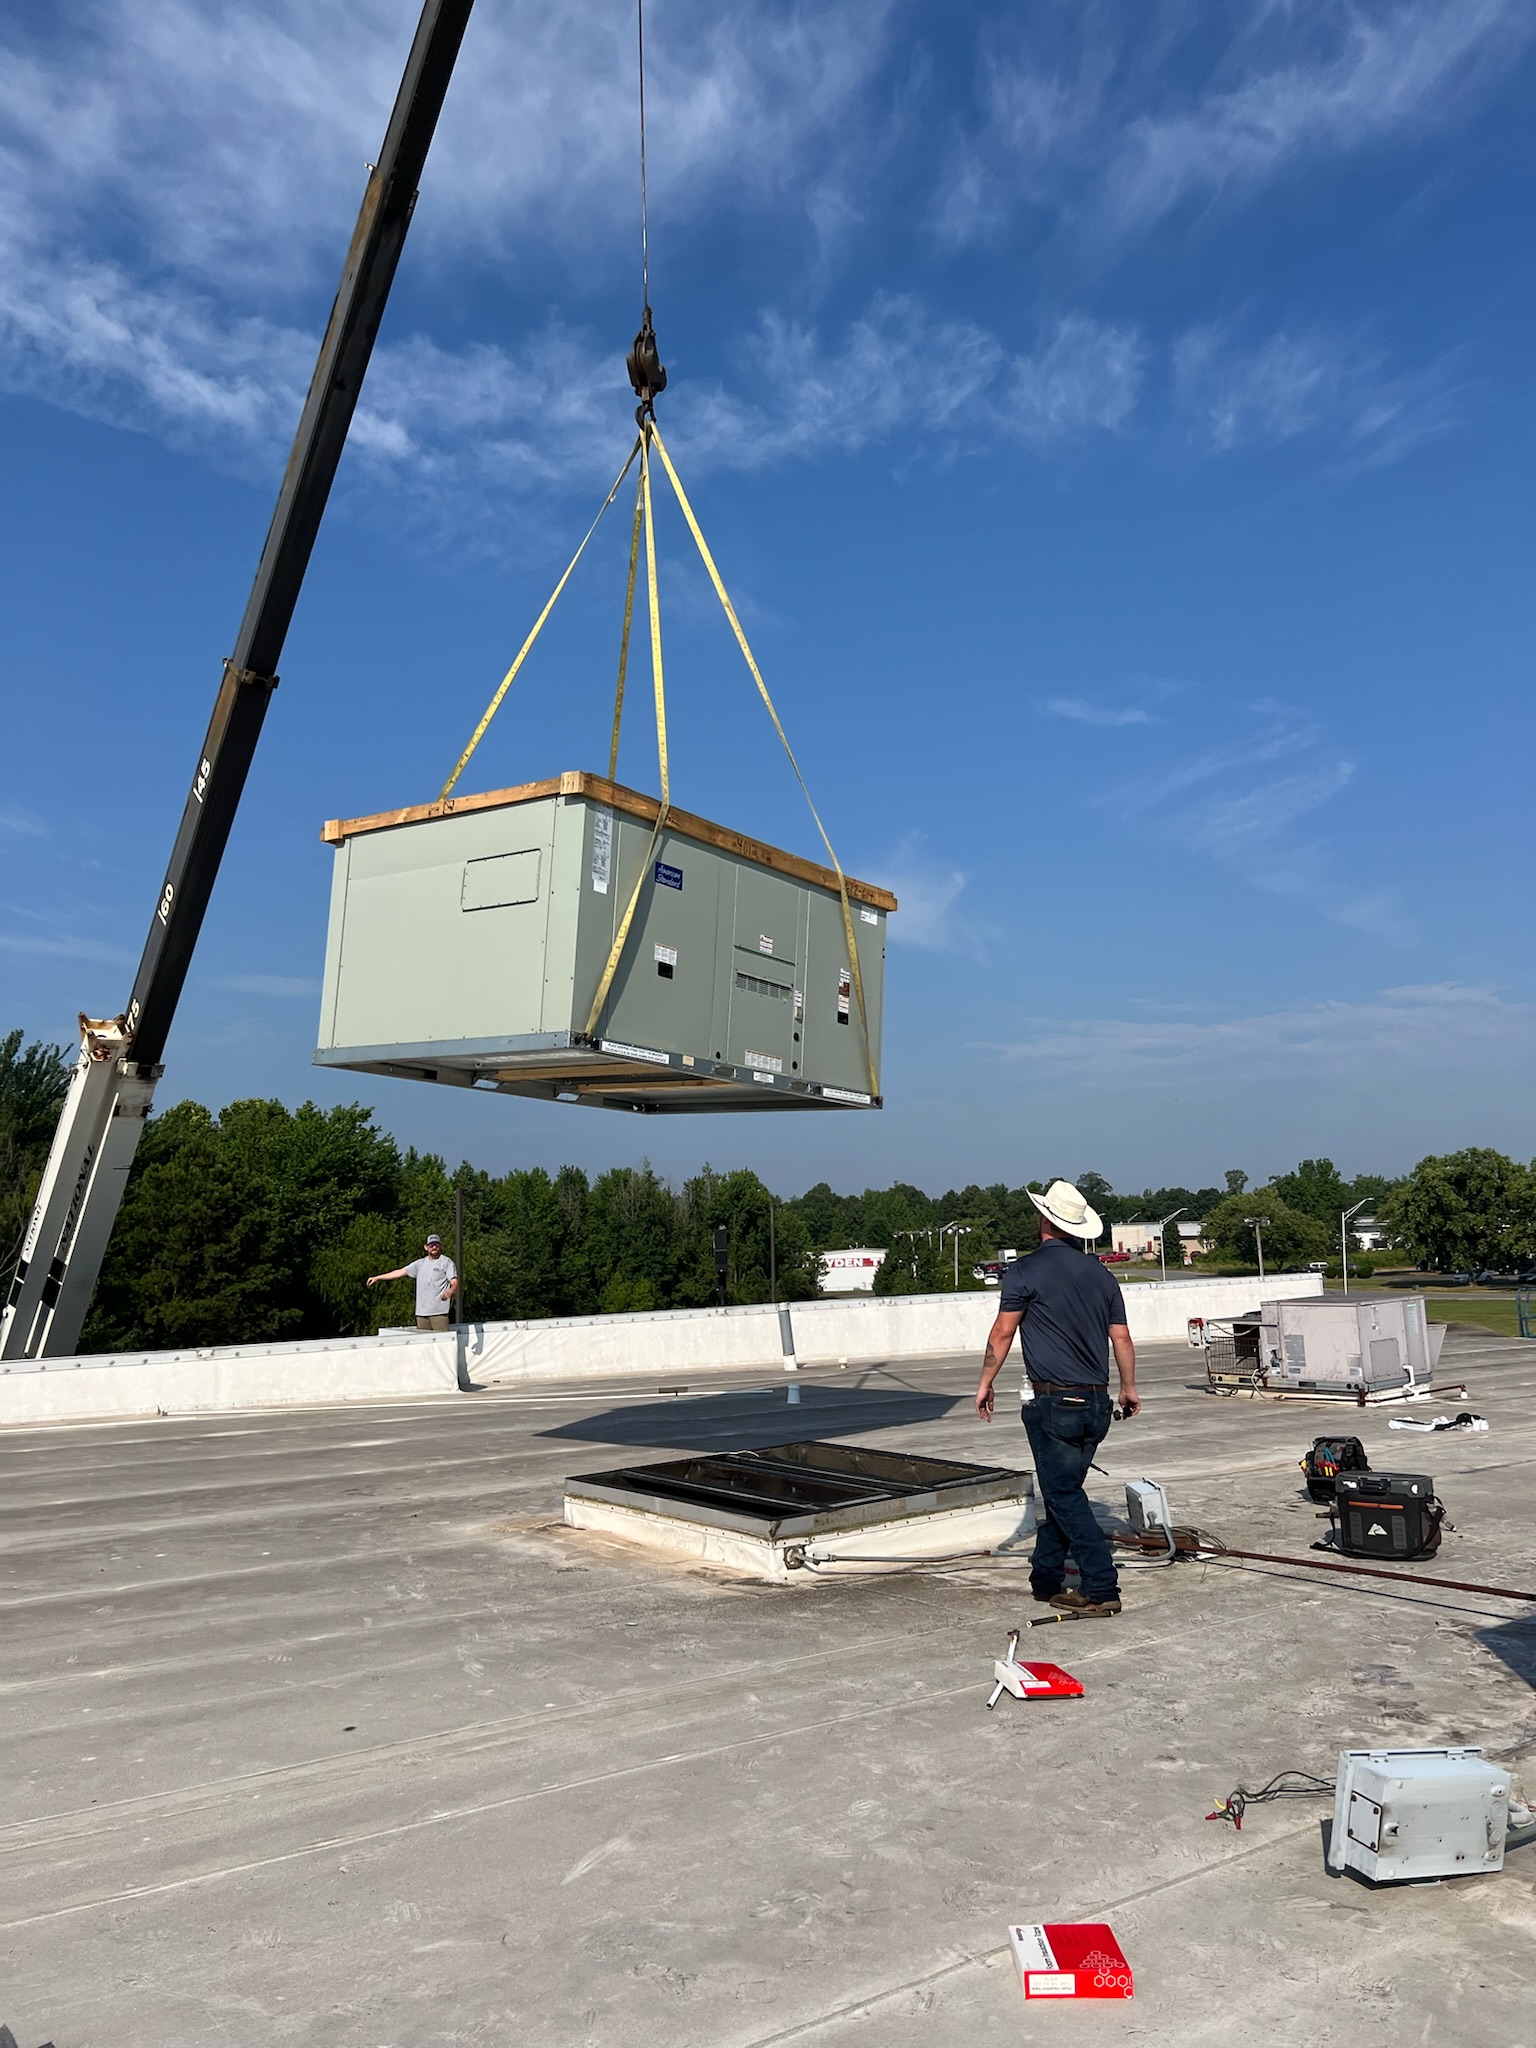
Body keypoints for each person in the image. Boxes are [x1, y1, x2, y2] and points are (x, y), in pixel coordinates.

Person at [974, 1179, 1139, 1617]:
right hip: (1098, 1403)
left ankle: (1101, 1586)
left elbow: (1003, 1332)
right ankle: (1046, 1576)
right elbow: (1120, 1337)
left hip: (1055, 1405)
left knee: (1063, 1494)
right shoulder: (1102, 1275)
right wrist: (1127, 1387)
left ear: (1046, 1219)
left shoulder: (1024, 1271)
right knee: (1065, 1490)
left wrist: (985, 1381)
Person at [367, 1232, 459, 1331]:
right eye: (431, 1245)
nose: (434, 1247)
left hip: (439, 1313)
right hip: (421, 1314)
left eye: (436, 1245)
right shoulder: (419, 1264)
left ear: (440, 1246)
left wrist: (450, 1291)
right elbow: (399, 1272)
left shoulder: (446, 1262)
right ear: (426, 1247)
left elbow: (454, 1281)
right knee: (424, 1344)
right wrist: (377, 1277)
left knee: (442, 1343)